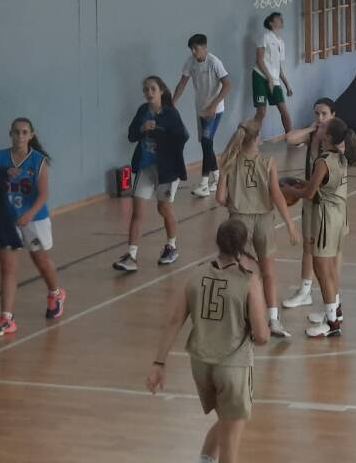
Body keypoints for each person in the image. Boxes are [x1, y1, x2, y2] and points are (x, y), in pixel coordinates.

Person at [146, 219, 269, 463]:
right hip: (232, 365)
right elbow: (263, 335)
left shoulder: (196, 274)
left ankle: (205, 459)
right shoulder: (248, 281)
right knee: (232, 437)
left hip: (201, 364)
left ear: (218, 243)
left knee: (226, 419)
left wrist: (159, 363)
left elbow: (174, 321)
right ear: (243, 245)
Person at [215, 119, 299, 338]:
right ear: (256, 139)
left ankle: (241, 319)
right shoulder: (268, 161)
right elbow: (277, 194)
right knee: (269, 272)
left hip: (238, 221)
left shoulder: (229, 161)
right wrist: (290, 224)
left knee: (239, 272)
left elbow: (220, 197)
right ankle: (273, 320)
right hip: (264, 219)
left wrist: (236, 202)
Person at [0, 118, 66, 338]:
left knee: (40, 261)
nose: (20, 136)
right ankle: (7, 318)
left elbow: (43, 195)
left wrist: (28, 215)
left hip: (34, 219)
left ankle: (56, 293)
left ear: (31, 135)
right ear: (10, 134)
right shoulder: (1, 157)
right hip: (8, 221)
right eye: (16, 132)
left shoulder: (38, 161)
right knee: (7, 268)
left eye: (24, 133)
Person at [281, 118, 356, 338]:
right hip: (339, 216)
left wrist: (288, 190)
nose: (319, 127)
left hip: (326, 219)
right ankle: (335, 311)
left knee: (323, 270)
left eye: (324, 127)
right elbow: (320, 185)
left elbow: (309, 193)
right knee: (330, 268)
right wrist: (302, 185)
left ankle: (332, 324)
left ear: (328, 136)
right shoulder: (340, 157)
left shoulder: (323, 161)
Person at [113, 76, 189, 273]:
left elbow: (183, 136)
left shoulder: (170, 114)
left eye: (152, 89)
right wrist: (142, 129)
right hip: (146, 167)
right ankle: (131, 255)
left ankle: (171, 246)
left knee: (164, 209)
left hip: (166, 170)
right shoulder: (142, 111)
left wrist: (161, 136)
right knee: (137, 211)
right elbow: (131, 135)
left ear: (161, 91)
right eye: (145, 89)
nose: (148, 93)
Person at [281, 97, 336, 310]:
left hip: (328, 203)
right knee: (308, 245)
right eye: (317, 114)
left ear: (333, 115)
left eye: (324, 114)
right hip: (311, 200)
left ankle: (333, 303)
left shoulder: (336, 140)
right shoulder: (313, 134)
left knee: (328, 253)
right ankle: (305, 291)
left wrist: (295, 190)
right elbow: (290, 139)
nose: (320, 118)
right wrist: (310, 129)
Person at [174, 34, 232, 198]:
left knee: (206, 142)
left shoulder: (214, 62)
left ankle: (204, 184)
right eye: (191, 49)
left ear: (205, 48)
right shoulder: (190, 62)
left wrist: (214, 106)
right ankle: (219, 178)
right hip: (200, 109)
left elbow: (228, 85)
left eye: (196, 49)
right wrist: (172, 104)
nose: (193, 52)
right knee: (206, 144)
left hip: (215, 110)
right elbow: (182, 84)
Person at [253, 12, 294, 134]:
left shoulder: (281, 42)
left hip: (274, 79)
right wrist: (269, 78)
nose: (282, 20)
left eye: (282, 18)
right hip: (260, 77)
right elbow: (259, 60)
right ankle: (253, 140)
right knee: (261, 112)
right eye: (279, 19)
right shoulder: (265, 37)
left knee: (283, 109)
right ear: (271, 23)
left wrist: (287, 85)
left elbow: (278, 67)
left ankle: (290, 137)